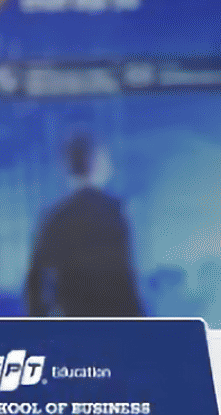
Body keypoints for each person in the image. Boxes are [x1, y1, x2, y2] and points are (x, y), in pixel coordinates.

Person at [26, 130, 142, 317]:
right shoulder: (114, 212)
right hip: (114, 323)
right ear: (97, 161)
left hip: (74, 324)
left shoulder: (55, 217)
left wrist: (41, 327)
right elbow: (124, 280)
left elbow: (35, 284)